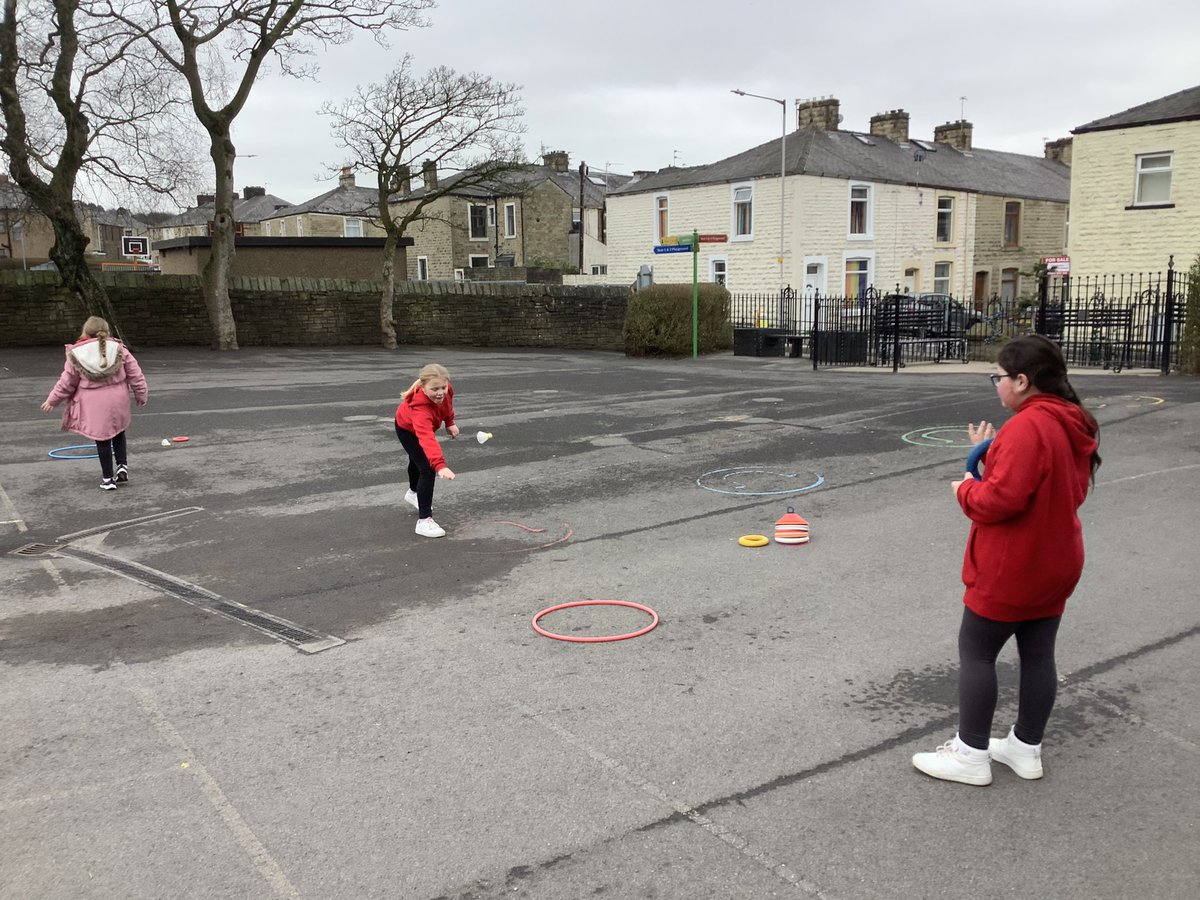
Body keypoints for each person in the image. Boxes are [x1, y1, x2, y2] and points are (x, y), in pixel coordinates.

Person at [913, 335, 1101, 785]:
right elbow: (1035, 481)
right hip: (1057, 560)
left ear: (1022, 380)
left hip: (1014, 563)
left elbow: (1000, 500)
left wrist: (964, 488)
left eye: (998, 376)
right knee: (1038, 655)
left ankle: (970, 754)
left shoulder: (1027, 427)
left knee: (977, 651)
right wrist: (992, 452)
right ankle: (1025, 747)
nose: (996, 384)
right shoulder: (1074, 421)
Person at [41, 316, 149, 491]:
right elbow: (136, 374)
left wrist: (52, 400)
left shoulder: (77, 354)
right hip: (118, 398)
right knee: (119, 431)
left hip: (94, 403)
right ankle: (122, 466)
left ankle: (108, 479)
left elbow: (67, 382)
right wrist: (141, 395)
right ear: (106, 331)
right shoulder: (119, 349)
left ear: (85, 331)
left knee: (102, 439)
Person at [394, 363, 458, 538]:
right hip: (407, 429)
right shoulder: (420, 409)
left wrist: (450, 422)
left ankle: (413, 493)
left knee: (417, 462)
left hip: (418, 428)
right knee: (426, 468)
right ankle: (424, 521)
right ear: (423, 387)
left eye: (443, 387)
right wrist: (440, 465)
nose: (440, 392)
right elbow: (427, 439)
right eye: (434, 389)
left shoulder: (447, 391)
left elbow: (447, 406)